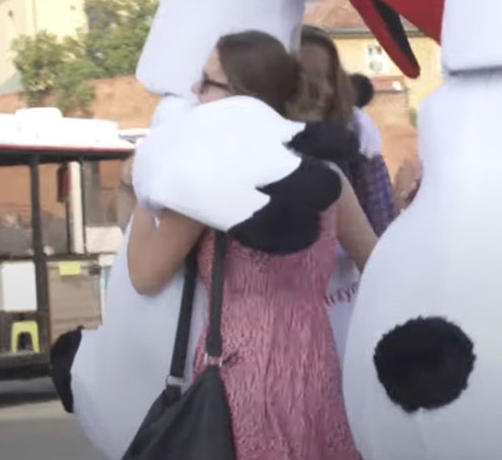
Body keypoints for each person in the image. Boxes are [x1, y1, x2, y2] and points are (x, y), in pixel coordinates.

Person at [124, 30, 376, 460]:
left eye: (206, 81)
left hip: (238, 375)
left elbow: (146, 276)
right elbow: (379, 264)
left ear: (238, 96)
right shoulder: (328, 177)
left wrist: (140, 190)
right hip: (316, 369)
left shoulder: (209, 184)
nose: (194, 90)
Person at [299, 26, 397, 235]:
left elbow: (381, 230)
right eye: (305, 82)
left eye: (329, 78)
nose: (324, 91)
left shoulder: (358, 138)